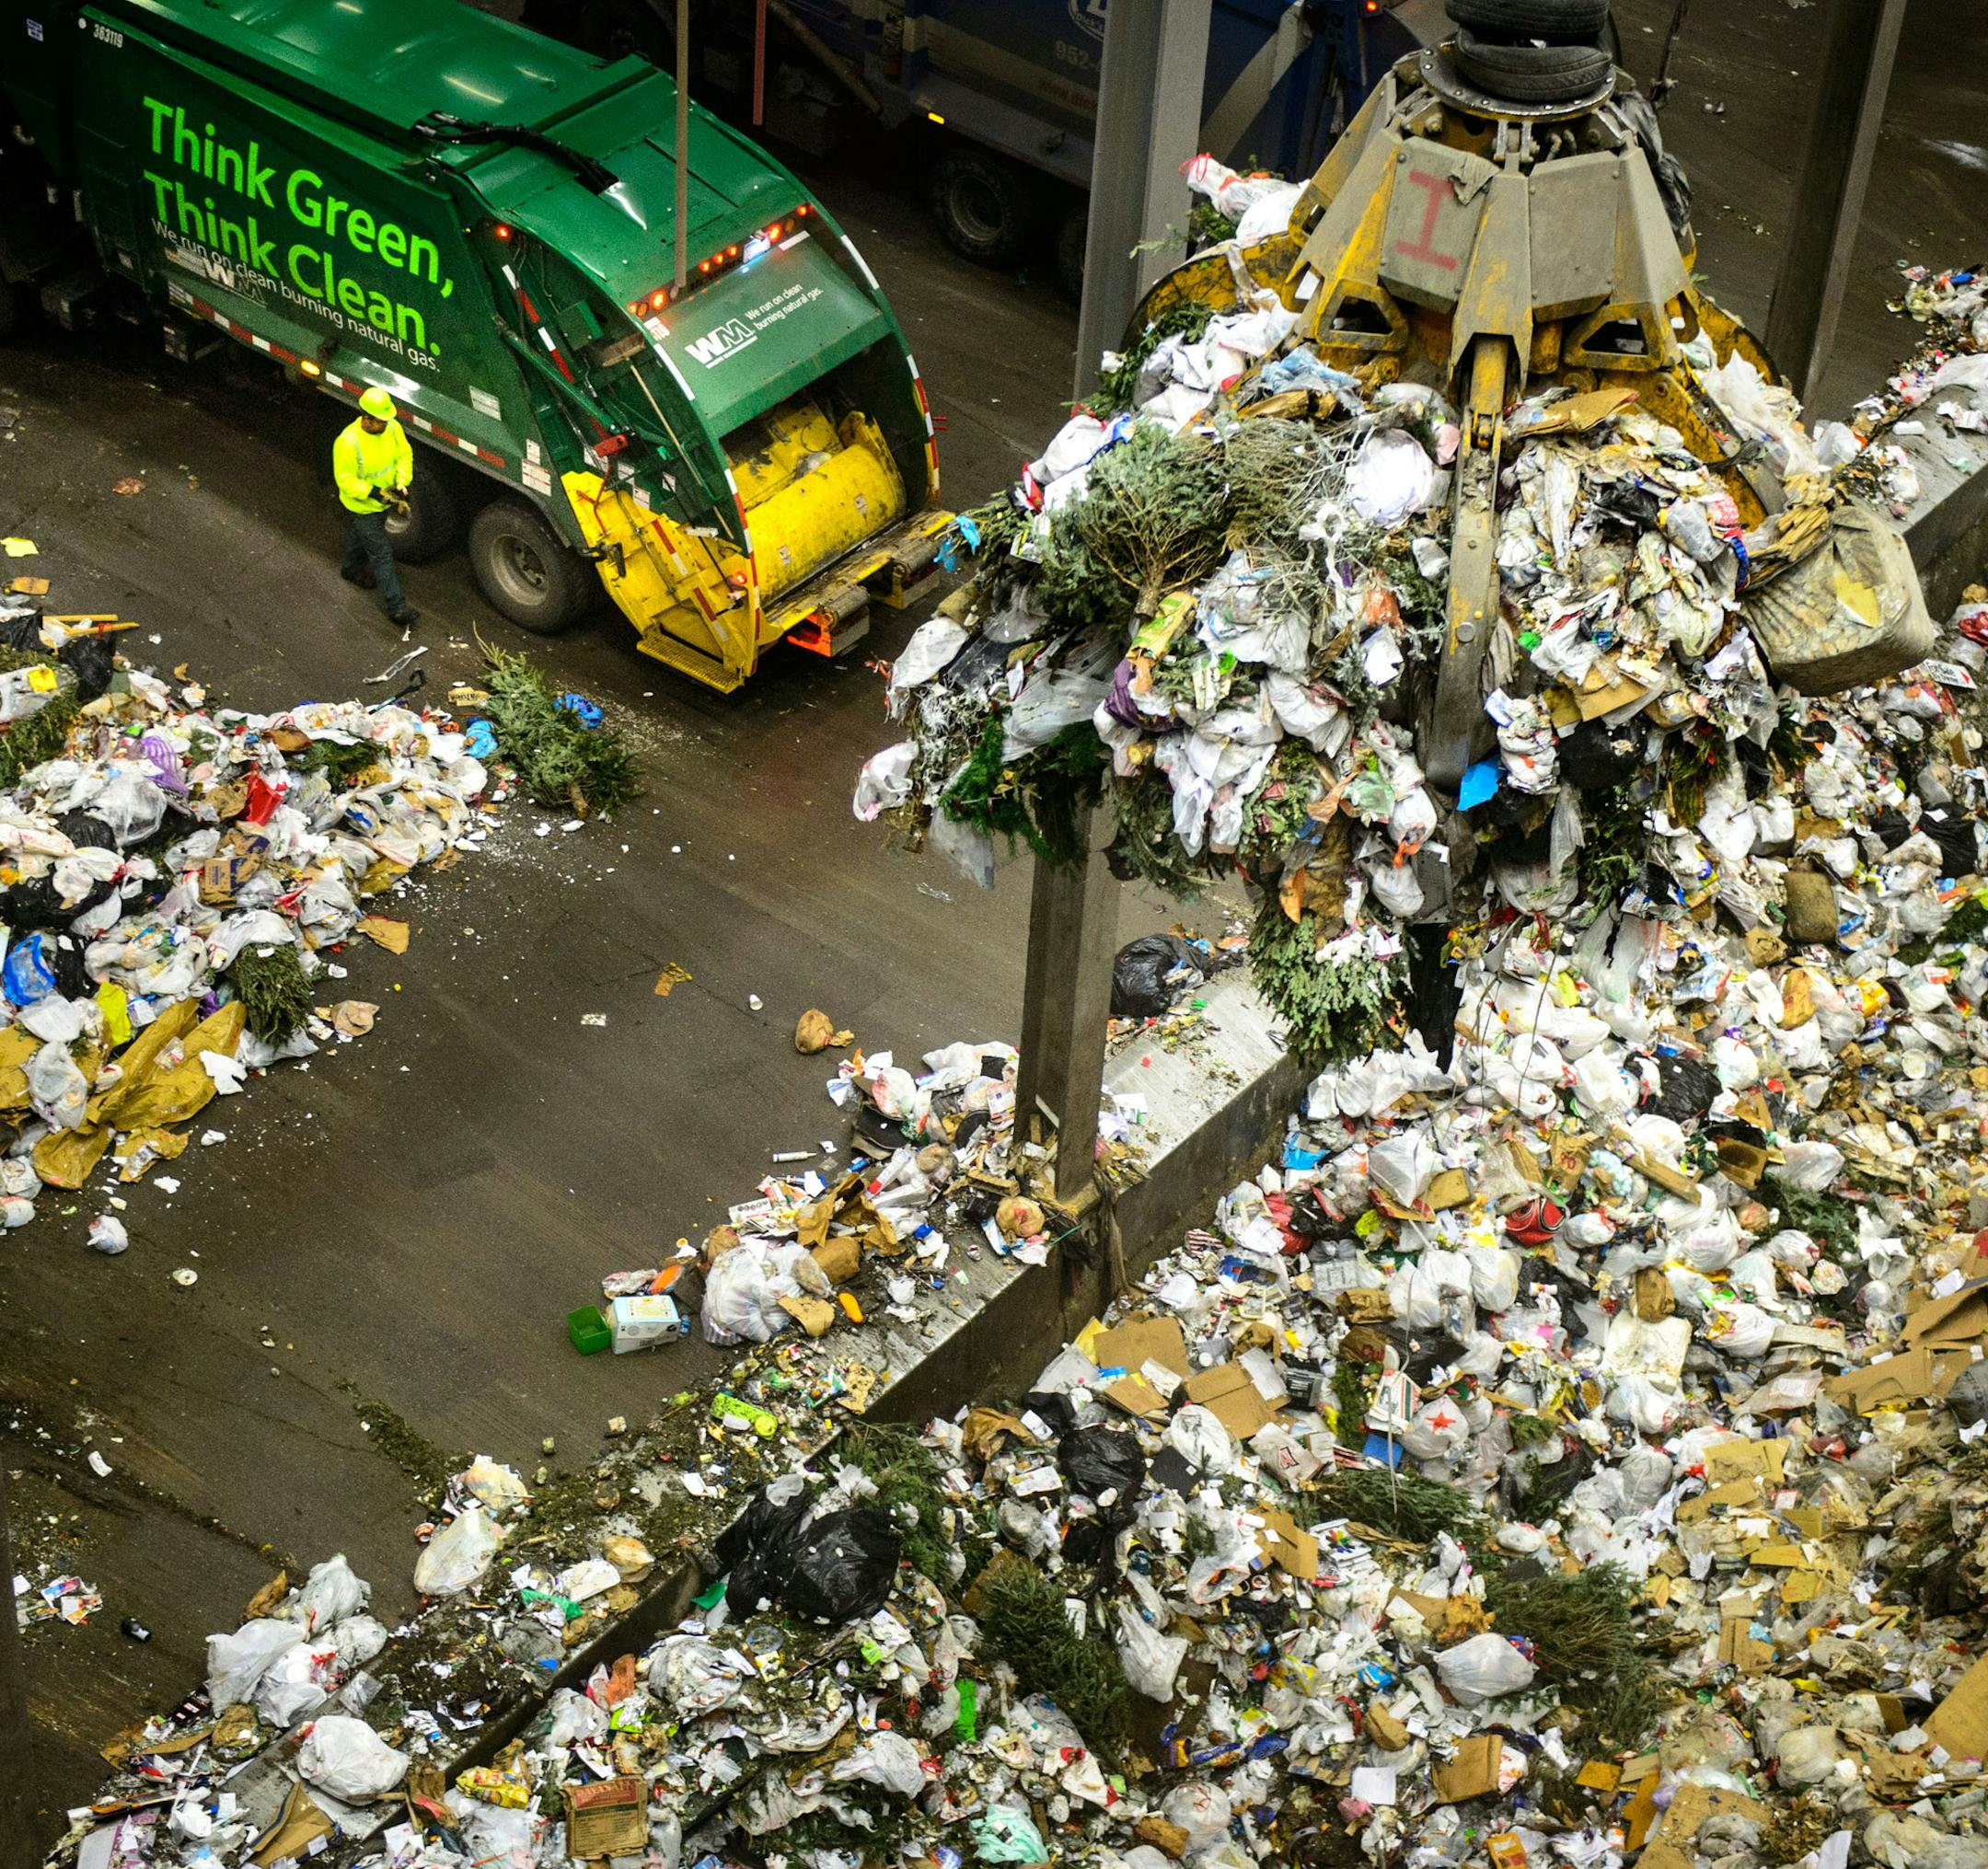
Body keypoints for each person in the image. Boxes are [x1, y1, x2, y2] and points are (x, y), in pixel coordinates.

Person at [334, 386, 420, 628]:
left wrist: (403, 482)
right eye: (380, 421)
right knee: (381, 554)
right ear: (366, 418)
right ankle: (396, 607)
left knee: (361, 538)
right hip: (363, 506)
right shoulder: (348, 442)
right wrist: (372, 493)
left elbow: (404, 455)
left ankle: (350, 569)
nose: (385, 425)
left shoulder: (392, 428)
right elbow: (345, 480)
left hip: (385, 501)